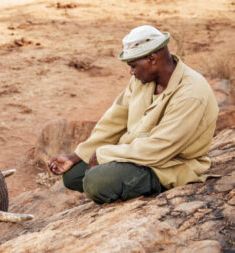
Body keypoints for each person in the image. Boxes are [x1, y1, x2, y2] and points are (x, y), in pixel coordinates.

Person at [47, 25, 219, 204]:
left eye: (133, 66)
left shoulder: (191, 93)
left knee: (95, 182)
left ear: (152, 58)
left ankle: (138, 184)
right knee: (72, 175)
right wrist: (76, 156)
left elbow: (160, 148)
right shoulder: (142, 80)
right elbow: (113, 121)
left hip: (168, 165)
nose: (131, 72)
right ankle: (120, 178)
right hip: (135, 153)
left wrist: (104, 154)